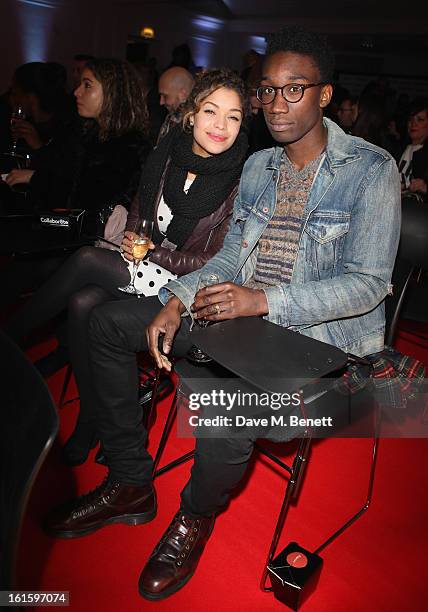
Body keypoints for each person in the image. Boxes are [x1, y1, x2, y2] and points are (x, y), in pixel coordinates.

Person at [45, 26, 401, 601]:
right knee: (106, 323)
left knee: (225, 409)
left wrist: (263, 300)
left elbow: (368, 284)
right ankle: (132, 481)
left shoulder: (371, 168)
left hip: (318, 348)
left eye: (295, 89)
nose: (277, 103)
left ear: (325, 96)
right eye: (268, 90)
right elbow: (233, 255)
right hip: (235, 321)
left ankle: (195, 516)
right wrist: (180, 298)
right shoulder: (258, 165)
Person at [8, 68, 250, 467]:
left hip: (186, 285)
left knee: (86, 259)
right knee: (85, 302)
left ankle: (11, 336)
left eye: (233, 116)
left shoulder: (241, 181)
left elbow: (212, 262)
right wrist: (135, 235)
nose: (220, 125)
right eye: (211, 111)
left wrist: (151, 251)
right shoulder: (166, 154)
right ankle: (90, 419)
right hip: (142, 265)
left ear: (242, 125)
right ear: (191, 114)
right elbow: (140, 210)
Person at [398, 97, 428, 196]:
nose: (413, 124)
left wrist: (424, 187)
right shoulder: (400, 148)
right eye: (410, 120)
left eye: (420, 120)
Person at [156, 66, 194, 142]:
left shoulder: (186, 123)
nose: (161, 102)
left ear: (182, 94)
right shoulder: (173, 117)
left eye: (165, 96)